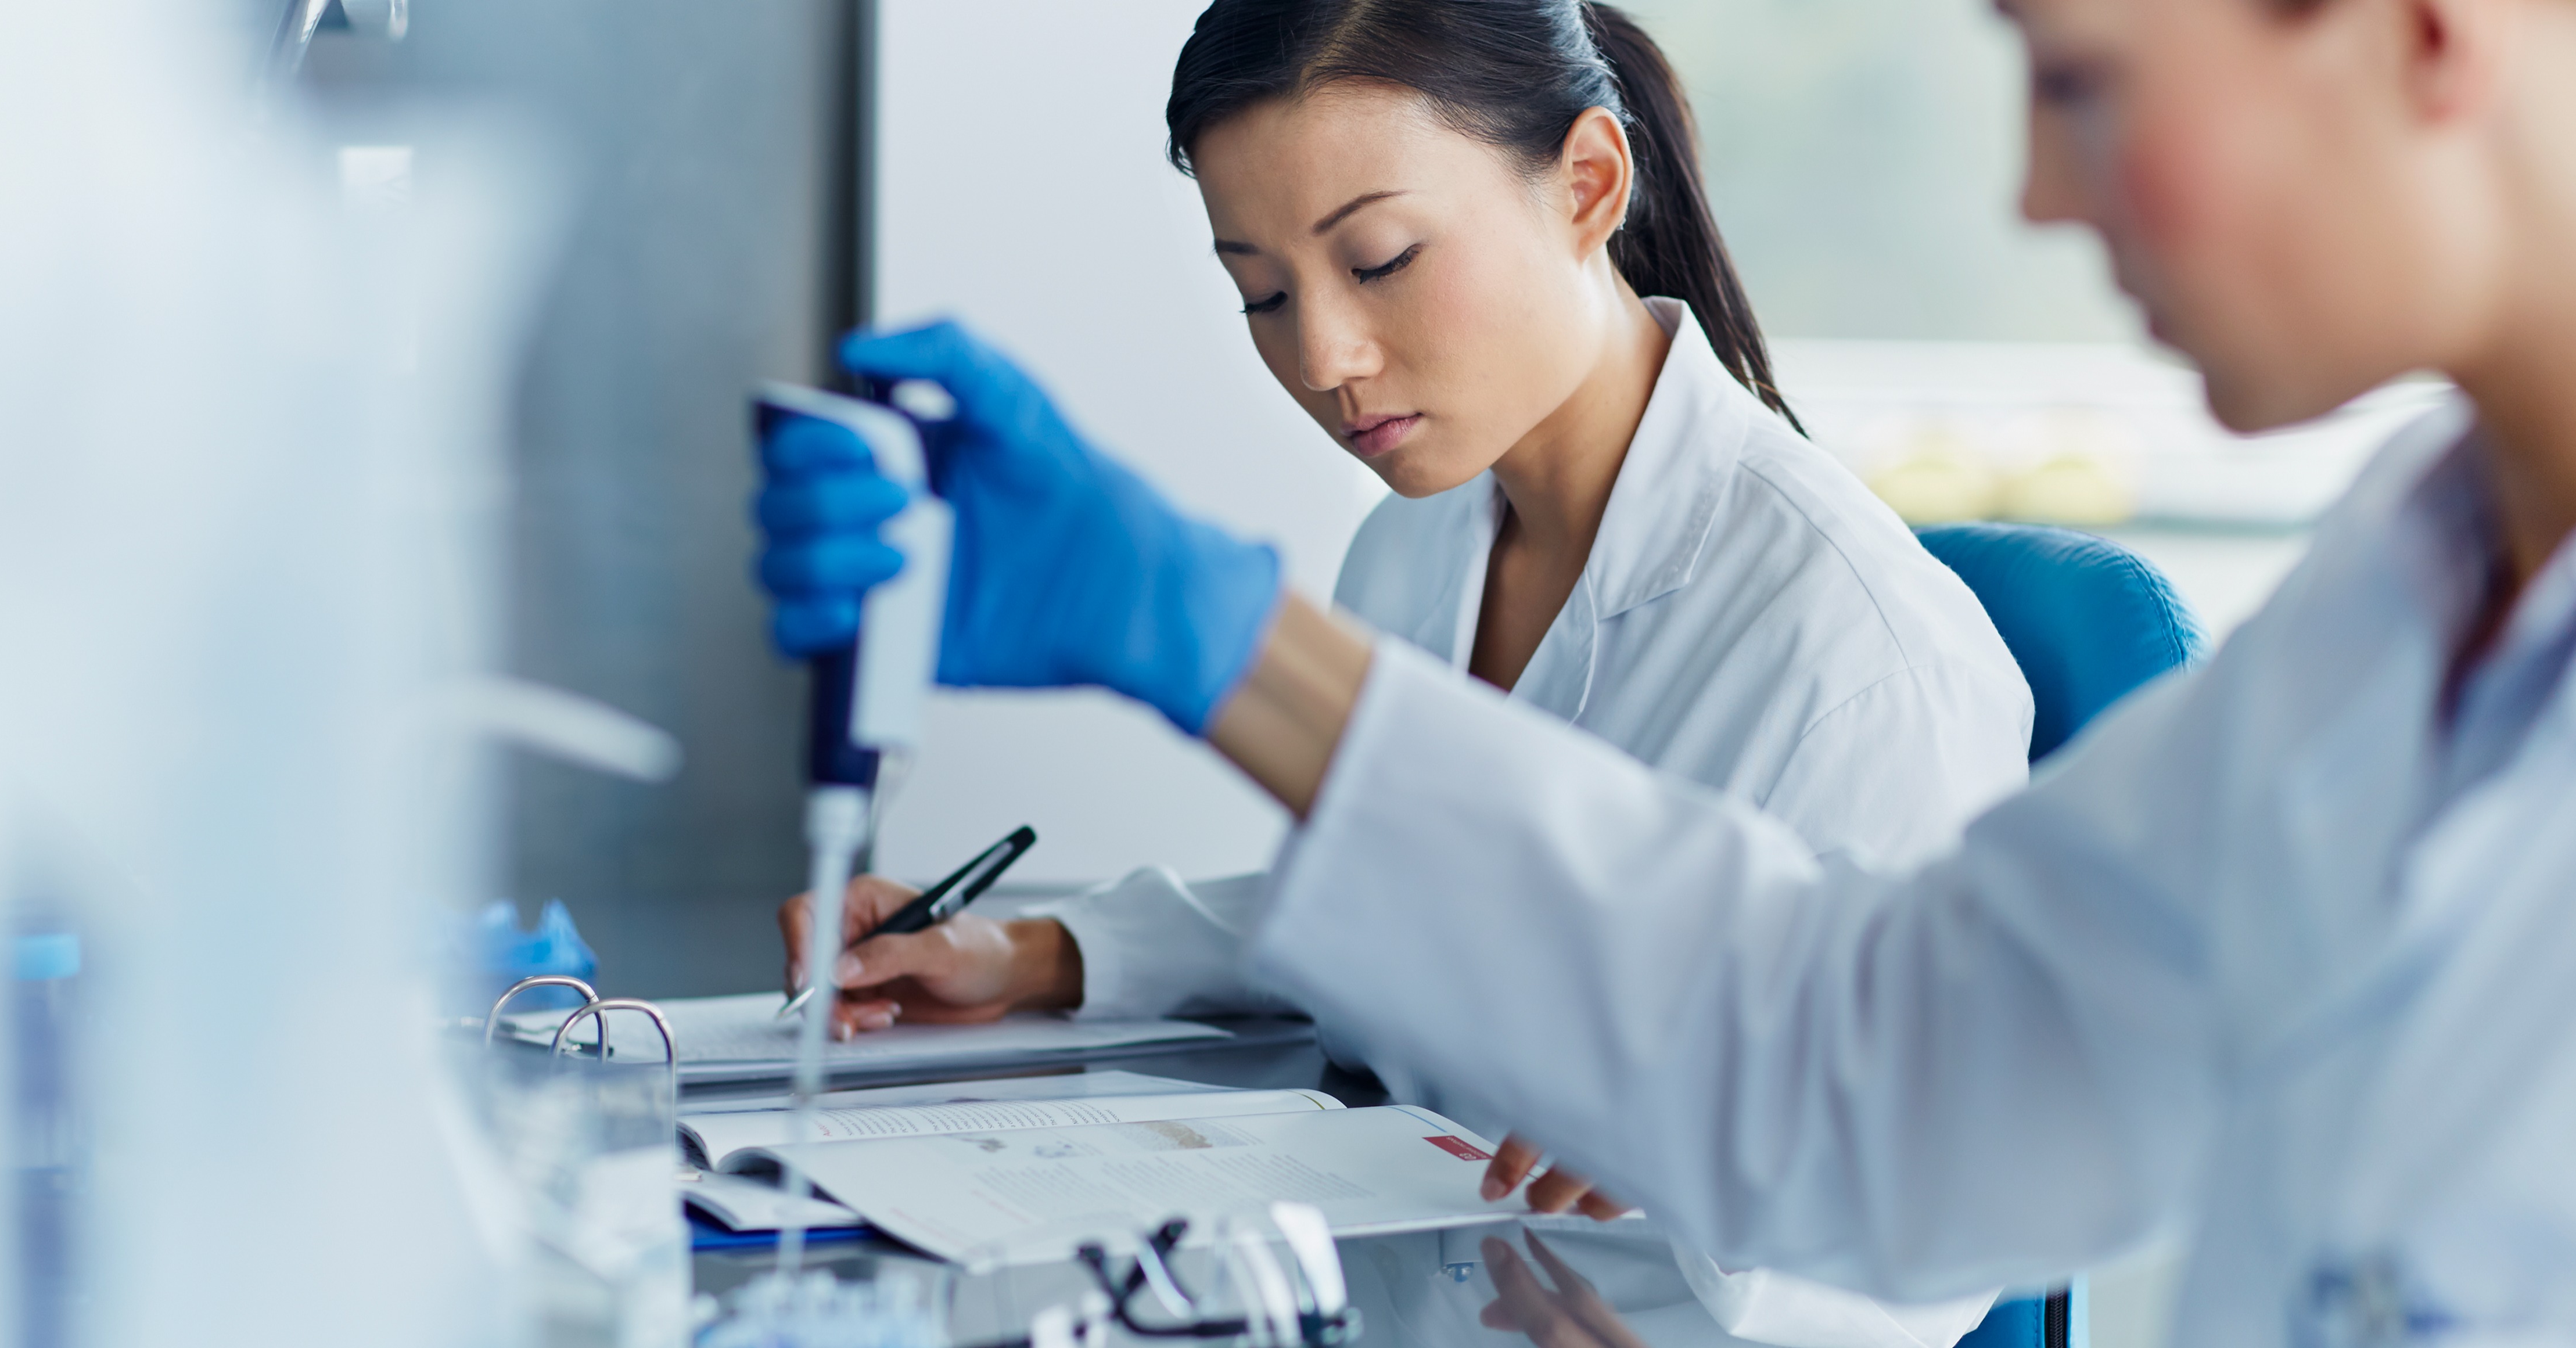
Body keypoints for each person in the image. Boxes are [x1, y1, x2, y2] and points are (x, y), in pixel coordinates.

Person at [761, 0, 2576, 1335]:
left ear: (2429, 31)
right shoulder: (2405, 609)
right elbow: (1872, 1066)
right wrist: (1221, 646)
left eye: (2079, 79)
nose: (2036, 190)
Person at [763, 4, 2026, 1343]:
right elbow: (1418, 894)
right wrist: (1041, 953)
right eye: (1262, 293)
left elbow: (1923, 1240)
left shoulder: (1859, 654)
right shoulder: (1416, 542)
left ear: (1588, 184)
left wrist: (1710, 1140)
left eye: (1381, 260)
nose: (1322, 358)